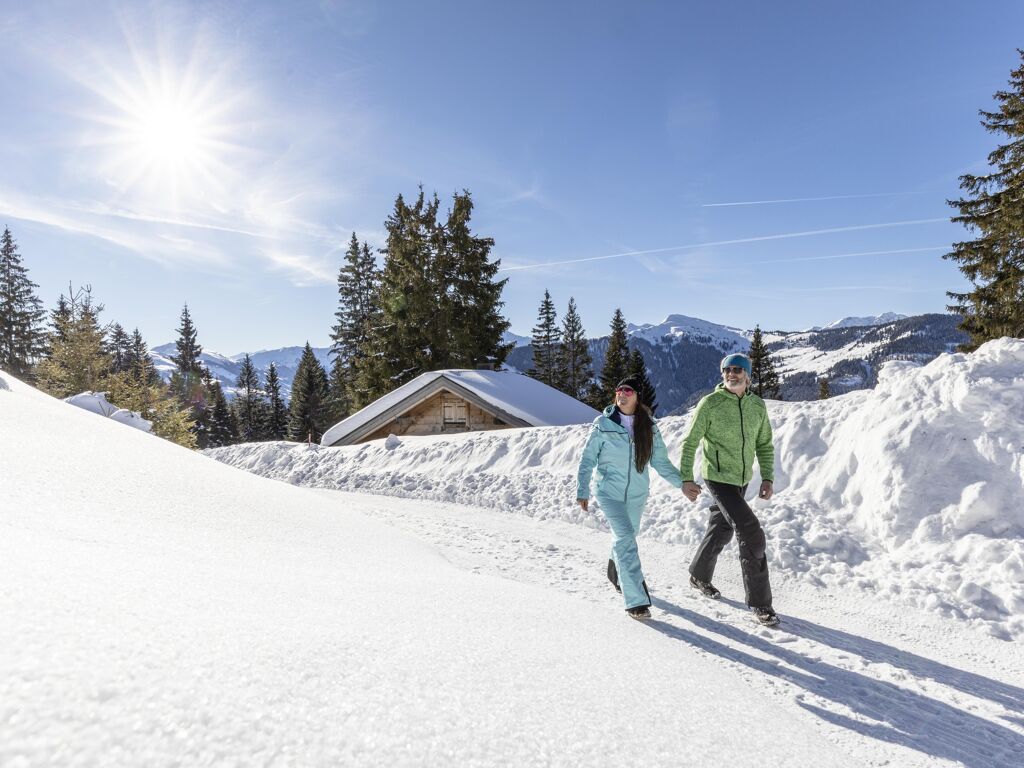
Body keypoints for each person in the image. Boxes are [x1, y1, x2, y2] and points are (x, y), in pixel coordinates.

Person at [680, 353, 780, 626]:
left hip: (742, 479)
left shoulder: (757, 406)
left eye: (737, 370)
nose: (731, 374)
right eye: (727, 370)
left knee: (721, 528)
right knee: (751, 532)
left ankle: (698, 575)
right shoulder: (710, 404)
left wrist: (768, 478)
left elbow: (764, 445)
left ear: (748, 376)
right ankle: (761, 604)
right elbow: (690, 442)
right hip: (717, 477)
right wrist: (686, 478)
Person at [577, 376, 682, 620]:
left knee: (626, 538)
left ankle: (615, 572)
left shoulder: (649, 426)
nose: (621, 394)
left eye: (628, 390)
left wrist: (683, 483)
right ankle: (636, 600)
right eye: (619, 390)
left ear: (637, 396)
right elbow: (587, 459)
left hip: (637, 494)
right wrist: (582, 489)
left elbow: (660, 461)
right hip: (608, 492)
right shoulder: (603, 423)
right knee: (625, 536)